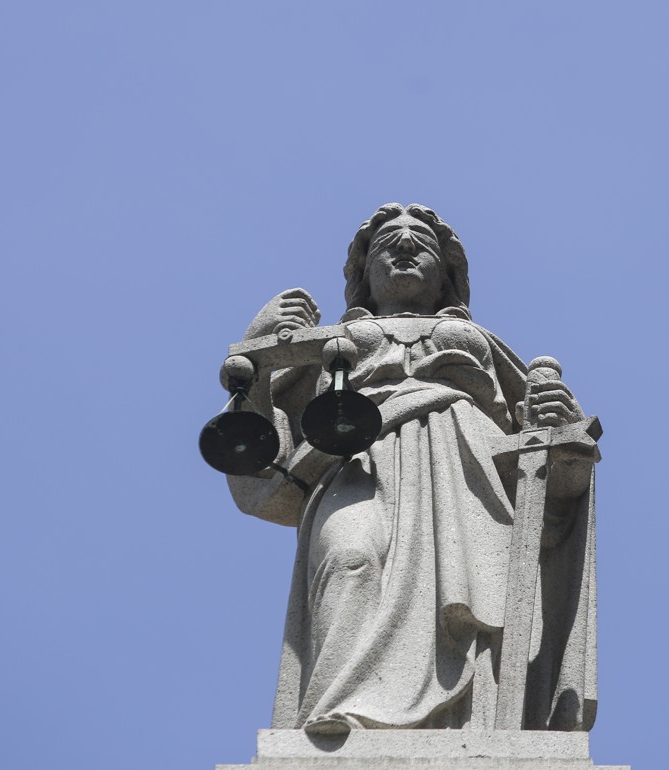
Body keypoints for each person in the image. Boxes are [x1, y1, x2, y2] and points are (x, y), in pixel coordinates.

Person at [225, 203, 598, 733]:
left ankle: (473, 728)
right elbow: (263, 462)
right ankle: (337, 712)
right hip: (356, 462)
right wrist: (260, 350)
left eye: (420, 242)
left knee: (472, 601)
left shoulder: (485, 344)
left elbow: (556, 477)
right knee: (348, 559)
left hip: (468, 468)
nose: (403, 247)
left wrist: (562, 434)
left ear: (447, 275)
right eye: (386, 245)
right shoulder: (330, 348)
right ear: (363, 276)